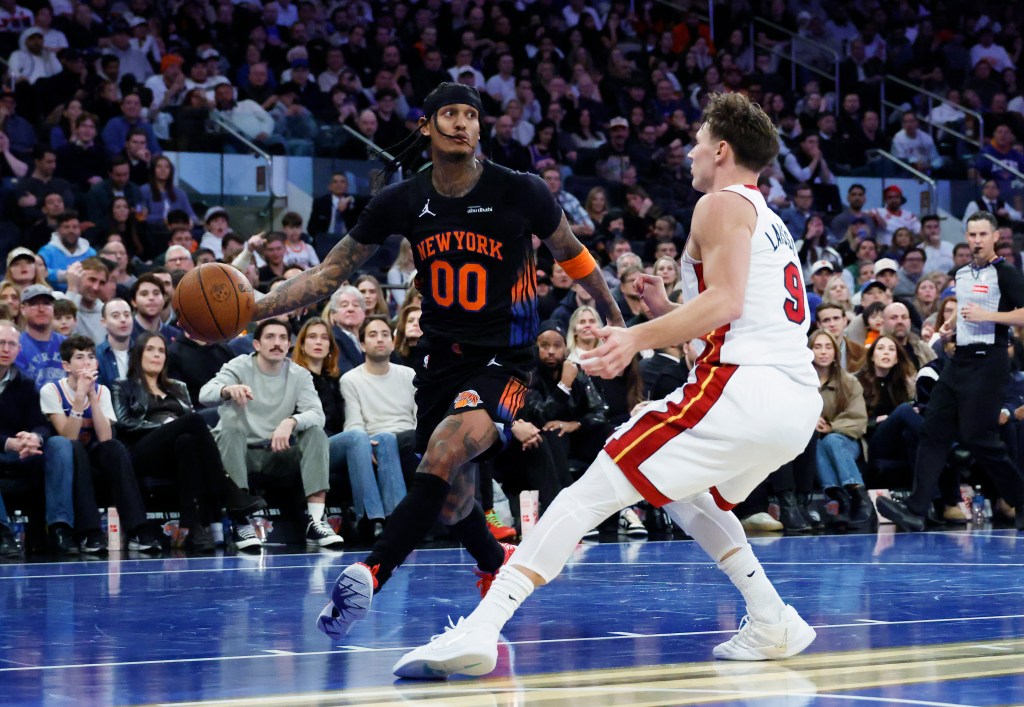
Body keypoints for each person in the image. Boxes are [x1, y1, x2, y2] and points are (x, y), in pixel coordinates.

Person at [394, 92, 821, 678]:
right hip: (793, 401)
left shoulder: (719, 204)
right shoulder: (768, 219)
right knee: (685, 495)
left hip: (743, 390)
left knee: (583, 495)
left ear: (722, 150)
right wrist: (668, 306)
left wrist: (637, 336)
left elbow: (725, 303)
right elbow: (731, 317)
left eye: (698, 141)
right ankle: (774, 619)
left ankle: (480, 630)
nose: (691, 151)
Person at [243, 83, 624, 639]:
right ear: (426, 125)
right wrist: (254, 307)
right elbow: (329, 274)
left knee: (444, 452)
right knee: (449, 500)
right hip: (440, 362)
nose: (463, 124)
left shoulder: (521, 190)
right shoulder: (401, 199)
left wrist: (616, 321)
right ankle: (497, 569)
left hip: (505, 362)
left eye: (472, 115)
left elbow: (572, 252)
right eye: (450, 113)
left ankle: (370, 573)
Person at [878, 211, 1024, 532]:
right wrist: (953, 325)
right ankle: (916, 508)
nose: (976, 240)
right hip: (958, 360)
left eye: (983, 234)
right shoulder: (961, 273)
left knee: (979, 437)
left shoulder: (1006, 274)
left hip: (990, 360)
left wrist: (990, 315)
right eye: (972, 234)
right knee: (933, 430)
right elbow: (967, 311)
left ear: (995, 236)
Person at [112, 332, 266, 551]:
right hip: (143, 449)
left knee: (187, 442)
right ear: (138, 354)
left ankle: (194, 528)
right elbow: (125, 424)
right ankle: (228, 491)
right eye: (150, 350)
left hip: (174, 451)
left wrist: (174, 428)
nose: (157, 355)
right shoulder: (123, 385)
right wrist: (165, 426)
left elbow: (188, 431)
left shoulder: (177, 387)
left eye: (161, 351)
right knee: (192, 422)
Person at [199, 318, 341, 551]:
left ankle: (315, 521)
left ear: (289, 344)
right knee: (230, 430)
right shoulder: (240, 365)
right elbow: (205, 394)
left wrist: (291, 421)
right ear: (256, 344)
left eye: (282, 338)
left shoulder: (299, 374)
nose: (277, 343)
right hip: (240, 453)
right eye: (270, 337)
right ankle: (240, 521)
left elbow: (317, 414)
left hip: (277, 453)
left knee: (315, 432)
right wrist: (227, 390)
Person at [40, 335, 161, 553]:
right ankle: (90, 533)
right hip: (67, 456)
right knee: (75, 447)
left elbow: (105, 437)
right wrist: (79, 397)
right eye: (79, 357)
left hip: (95, 452)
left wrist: (92, 396)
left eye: (90, 357)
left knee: (114, 447)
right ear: (66, 366)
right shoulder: (52, 391)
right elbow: (68, 437)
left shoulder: (103, 391)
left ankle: (137, 529)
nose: (86, 362)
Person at [337, 316, 413, 535]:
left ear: (392, 342)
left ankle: (393, 521)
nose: (379, 339)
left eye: (384, 334)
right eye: (372, 335)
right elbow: (353, 421)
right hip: (375, 440)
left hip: (409, 437)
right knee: (385, 439)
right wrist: (364, 446)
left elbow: (420, 418)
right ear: (362, 344)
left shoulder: (409, 375)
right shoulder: (351, 379)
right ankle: (396, 523)